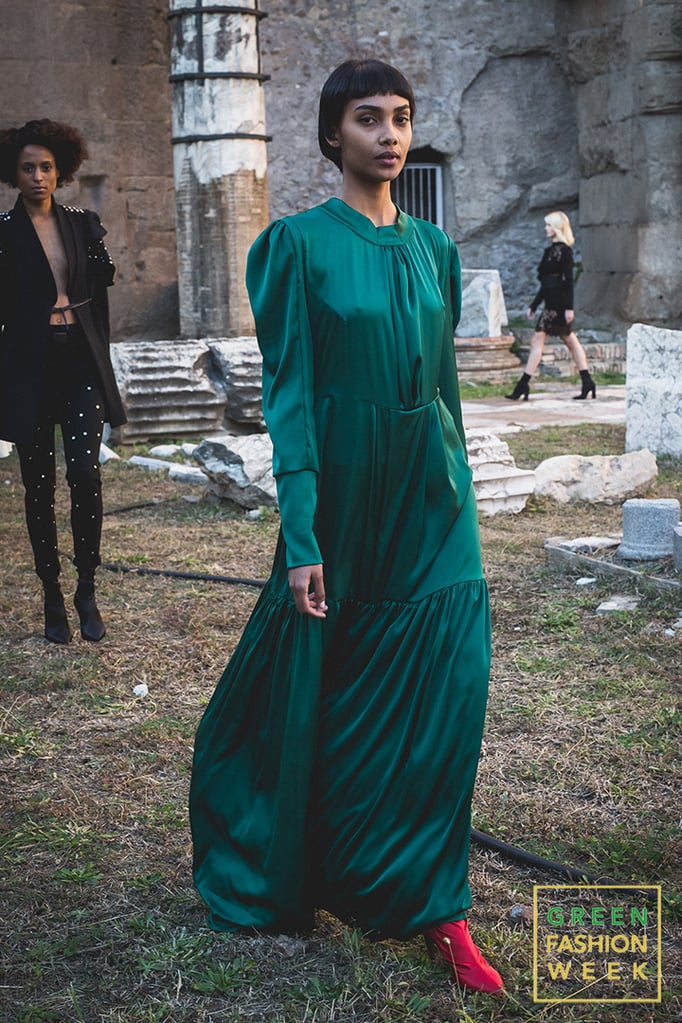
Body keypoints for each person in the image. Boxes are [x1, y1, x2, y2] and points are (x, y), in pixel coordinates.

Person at [189, 59, 504, 997]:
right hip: (345, 498)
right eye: (369, 118)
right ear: (333, 135)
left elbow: (443, 389)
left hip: (431, 496)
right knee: (329, 687)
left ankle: (440, 906)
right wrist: (302, 534)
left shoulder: (435, 249)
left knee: (452, 680)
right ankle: (318, 858)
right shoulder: (296, 245)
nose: (389, 134)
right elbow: (290, 399)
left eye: (401, 117)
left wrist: (459, 484)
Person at [0, 119, 126, 643]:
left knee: (85, 475)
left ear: (61, 171)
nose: (37, 176)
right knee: (38, 485)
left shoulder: (82, 223)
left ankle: (86, 590)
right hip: (29, 368)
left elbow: (102, 288)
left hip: (79, 363)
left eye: (46, 167)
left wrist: (99, 352)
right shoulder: (3, 232)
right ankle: (51, 593)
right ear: (14, 173)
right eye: (27, 168)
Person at [506, 210, 596, 401]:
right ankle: (587, 381)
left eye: (549, 225)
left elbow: (568, 281)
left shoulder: (565, 251)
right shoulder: (549, 251)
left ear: (557, 228)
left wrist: (569, 308)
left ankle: (522, 385)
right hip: (550, 302)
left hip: (559, 304)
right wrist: (534, 305)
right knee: (570, 341)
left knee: (539, 341)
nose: (546, 228)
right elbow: (546, 284)